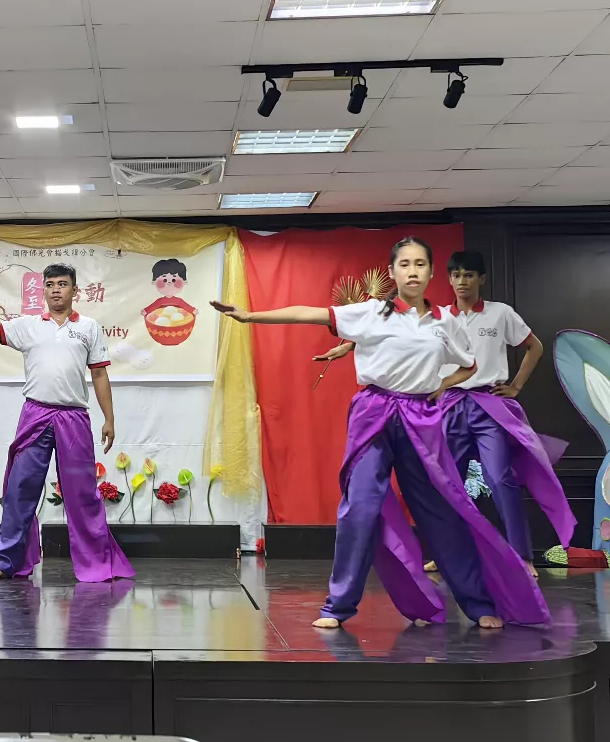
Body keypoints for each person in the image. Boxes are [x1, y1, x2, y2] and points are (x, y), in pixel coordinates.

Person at [212, 237, 548, 629]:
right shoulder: (372, 312)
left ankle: (477, 604)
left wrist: (440, 387)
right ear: (392, 272)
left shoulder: (445, 321)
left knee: (441, 511)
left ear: (431, 272)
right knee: (360, 507)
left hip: (421, 416)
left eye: (420, 264)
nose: (412, 272)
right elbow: (310, 313)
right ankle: (337, 606)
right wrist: (250, 316)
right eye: (404, 264)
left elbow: (469, 366)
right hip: (375, 412)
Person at [316, 251, 574, 578]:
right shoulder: (437, 316)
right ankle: (444, 554)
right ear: (449, 279)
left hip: (488, 403)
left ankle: (522, 556)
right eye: (457, 275)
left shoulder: (500, 314)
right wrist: (348, 345)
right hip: (448, 403)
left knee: (500, 479)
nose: (462, 281)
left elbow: (534, 346)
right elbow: (391, 332)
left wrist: (516, 386)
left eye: (469, 275)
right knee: (446, 483)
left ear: (481, 279)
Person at [0, 263, 133, 584]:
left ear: (74, 290)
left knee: (83, 493)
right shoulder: (27, 326)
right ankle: (6, 562)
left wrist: (109, 418)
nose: (56, 290)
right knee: (19, 490)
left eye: (62, 284)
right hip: (36, 415)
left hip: (73, 417)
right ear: (43, 290)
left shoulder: (89, 328)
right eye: (50, 285)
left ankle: (98, 564)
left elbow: (99, 374)